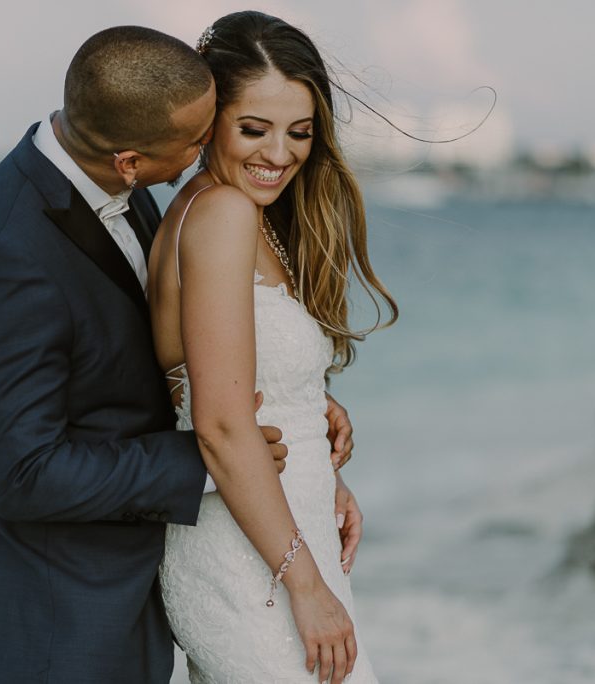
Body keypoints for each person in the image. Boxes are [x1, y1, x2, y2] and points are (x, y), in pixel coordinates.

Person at [0, 25, 359, 683]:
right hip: (66, 611)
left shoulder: (134, 191)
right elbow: (22, 475)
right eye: (197, 139)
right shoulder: (1, 258)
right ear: (130, 159)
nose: (205, 150)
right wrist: (208, 457)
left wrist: (290, 397)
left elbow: (166, 350)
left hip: (161, 572)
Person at [150, 11, 398, 684]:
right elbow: (223, 425)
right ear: (209, 122)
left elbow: (246, 384)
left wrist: (327, 471)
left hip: (282, 537)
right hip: (252, 563)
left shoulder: (230, 211)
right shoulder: (223, 215)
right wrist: (305, 585)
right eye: (253, 129)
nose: (280, 154)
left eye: (300, 133)